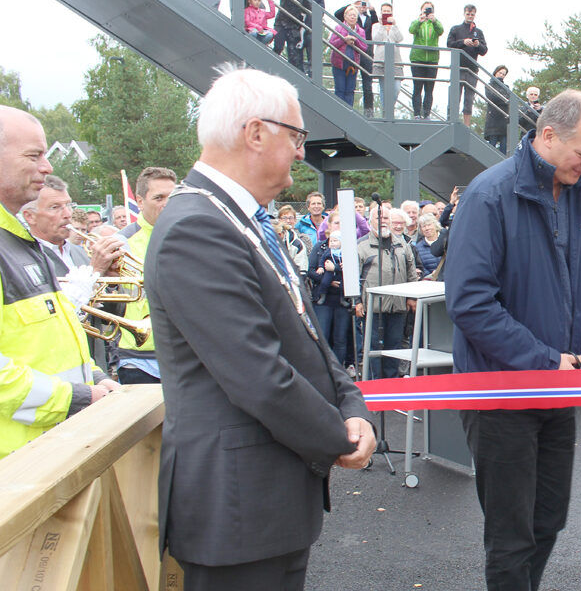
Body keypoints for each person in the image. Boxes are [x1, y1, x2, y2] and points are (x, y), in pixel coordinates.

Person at [142, 66, 374, 588]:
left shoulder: (238, 218)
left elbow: (305, 335)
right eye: (296, 136)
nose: (300, 151)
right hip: (238, 513)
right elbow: (258, 374)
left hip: (262, 505)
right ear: (255, 133)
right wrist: (338, 434)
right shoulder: (197, 227)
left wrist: (353, 406)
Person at [444, 89, 581, 590]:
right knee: (510, 535)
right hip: (499, 395)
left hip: (556, 390)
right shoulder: (489, 196)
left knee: (548, 521)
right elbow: (470, 304)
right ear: (547, 135)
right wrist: (545, 360)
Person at [0, 107, 117, 459]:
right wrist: (79, 397)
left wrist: (95, 379)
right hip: (19, 474)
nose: (47, 167)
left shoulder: (20, 239)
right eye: (34, 155)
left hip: (49, 455)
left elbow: (52, 341)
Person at [112, 167, 177, 385]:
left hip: (184, 356)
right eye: (158, 198)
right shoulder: (122, 242)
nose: (166, 204)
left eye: (172, 197)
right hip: (140, 360)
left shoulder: (189, 236)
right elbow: (107, 305)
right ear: (140, 201)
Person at [355, 204, 419, 378]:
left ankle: (392, 383)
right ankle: (375, 382)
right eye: (379, 218)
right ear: (370, 222)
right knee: (373, 346)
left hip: (398, 306)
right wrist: (357, 301)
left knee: (395, 346)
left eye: (385, 218)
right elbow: (353, 276)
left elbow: (411, 270)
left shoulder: (401, 244)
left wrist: (412, 297)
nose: (383, 221)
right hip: (373, 307)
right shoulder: (361, 246)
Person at [308, 211, 352, 368]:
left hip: (342, 300)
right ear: (329, 225)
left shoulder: (349, 248)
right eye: (336, 223)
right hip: (324, 300)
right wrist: (329, 279)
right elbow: (311, 271)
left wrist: (337, 270)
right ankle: (322, 370)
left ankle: (339, 370)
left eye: (342, 223)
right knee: (323, 336)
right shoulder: (320, 247)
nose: (339, 226)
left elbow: (354, 272)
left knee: (341, 339)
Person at [23, 176, 90, 274]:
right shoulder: (21, 258)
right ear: (30, 216)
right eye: (55, 207)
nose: (68, 214)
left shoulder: (82, 253)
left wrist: (110, 278)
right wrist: (97, 270)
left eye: (69, 205)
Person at [335, 0, 379, 114]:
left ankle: (368, 111)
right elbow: (337, 14)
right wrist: (352, 5)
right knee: (346, 85)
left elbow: (377, 25)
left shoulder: (369, 18)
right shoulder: (352, 15)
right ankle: (343, 109)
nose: (363, 5)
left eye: (365, 3)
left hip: (367, 52)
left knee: (367, 83)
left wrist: (372, 10)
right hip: (350, 53)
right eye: (361, 2)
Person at [446, 4, 488, 127]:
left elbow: (484, 50)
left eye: (472, 14)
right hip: (457, 68)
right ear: (464, 14)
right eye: (468, 14)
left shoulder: (478, 32)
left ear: (475, 15)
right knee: (454, 97)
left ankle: (466, 126)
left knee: (469, 99)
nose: (470, 16)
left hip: (472, 70)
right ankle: (451, 122)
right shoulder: (456, 29)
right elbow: (449, 44)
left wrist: (477, 45)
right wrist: (463, 42)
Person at [409, 1, 444, 119]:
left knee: (429, 89)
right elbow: (411, 30)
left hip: (432, 60)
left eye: (430, 9)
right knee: (417, 87)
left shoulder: (435, 23)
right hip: (417, 59)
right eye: (425, 9)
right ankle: (417, 114)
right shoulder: (417, 22)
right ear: (421, 10)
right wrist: (419, 21)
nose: (427, 11)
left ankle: (427, 114)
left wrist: (434, 21)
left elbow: (441, 30)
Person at [330, 5, 368, 106]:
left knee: (350, 91)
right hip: (339, 64)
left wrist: (356, 42)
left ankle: (349, 113)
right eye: (350, 15)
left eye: (355, 16)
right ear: (345, 16)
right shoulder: (338, 28)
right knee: (340, 90)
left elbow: (364, 48)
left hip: (353, 65)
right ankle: (339, 113)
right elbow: (332, 43)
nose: (352, 17)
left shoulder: (361, 31)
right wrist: (344, 39)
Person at [370, 3, 404, 109]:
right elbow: (376, 39)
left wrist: (394, 26)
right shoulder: (376, 26)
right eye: (384, 11)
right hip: (381, 60)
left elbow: (399, 38)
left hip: (395, 60)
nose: (386, 13)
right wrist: (381, 26)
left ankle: (389, 108)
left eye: (388, 11)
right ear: (381, 12)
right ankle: (386, 111)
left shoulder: (395, 25)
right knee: (384, 88)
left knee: (396, 88)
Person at [483, 65, 511, 151]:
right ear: (495, 72)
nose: (501, 75)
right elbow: (492, 97)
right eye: (500, 73)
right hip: (493, 119)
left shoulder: (506, 87)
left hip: (504, 119)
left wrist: (502, 98)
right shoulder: (489, 85)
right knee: (492, 145)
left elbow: (509, 99)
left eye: (504, 74)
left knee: (503, 148)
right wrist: (504, 99)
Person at [412, 212, 443, 277]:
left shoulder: (446, 242)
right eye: (424, 226)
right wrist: (431, 275)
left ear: (435, 225)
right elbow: (420, 267)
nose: (427, 228)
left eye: (429, 225)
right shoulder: (417, 248)